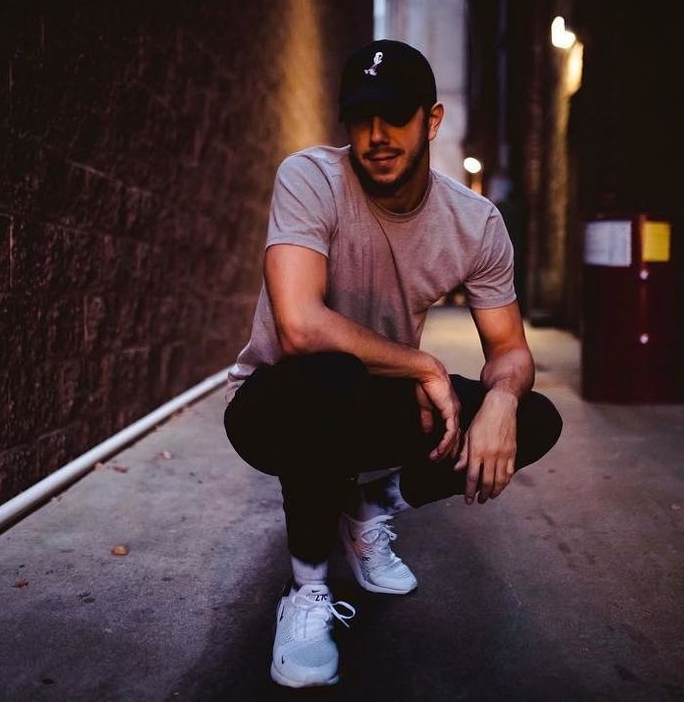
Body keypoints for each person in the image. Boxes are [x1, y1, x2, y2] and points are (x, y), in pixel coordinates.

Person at [223, 39, 562, 688]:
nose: (376, 135)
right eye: (361, 117)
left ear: (431, 120)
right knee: (329, 373)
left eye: (395, 114)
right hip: (275, 407)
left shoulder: (475, 224)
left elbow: (511, 350)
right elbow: (300, 325)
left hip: (374, 400)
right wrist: (423, 365)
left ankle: (371, 505)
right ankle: (306, 591)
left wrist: (501, 399)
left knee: (536, 417)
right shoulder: (310, 177)